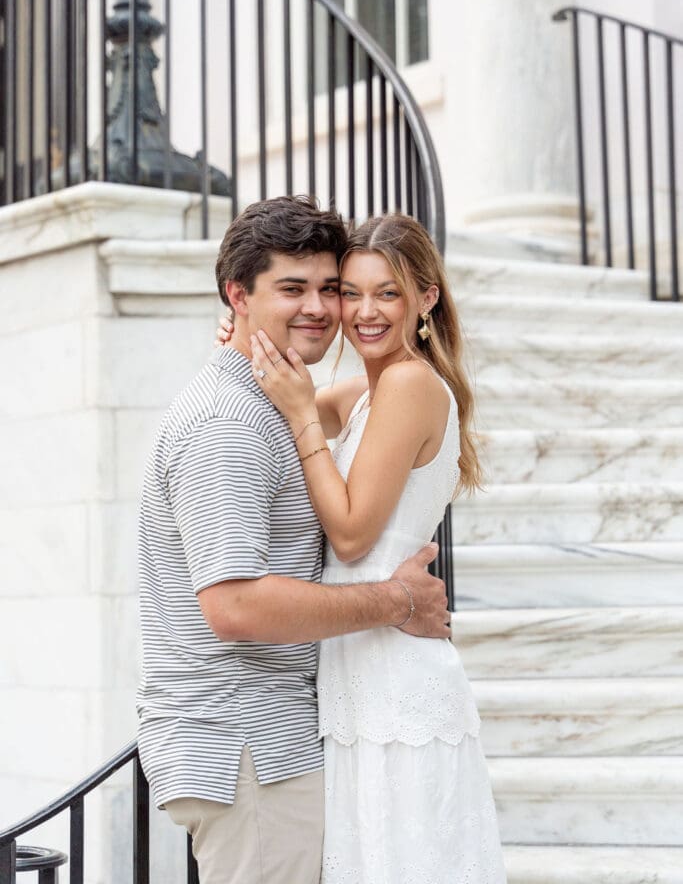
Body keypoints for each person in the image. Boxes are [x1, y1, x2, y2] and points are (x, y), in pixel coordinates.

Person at [136, 196, 450, 884]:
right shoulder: (228, 423)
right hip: (243, 742)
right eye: (290, 288)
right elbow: (236, 607)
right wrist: (394, 600)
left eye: (326, 289)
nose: (318, 307)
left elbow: (359, 414)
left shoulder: (272, 399)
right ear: (236, 296)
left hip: (273, 736)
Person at [233, 212, 507, 883]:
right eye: (350, 293)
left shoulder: (411, 385)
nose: (362, 312)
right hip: (359, 660)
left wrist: (302, 414)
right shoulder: (370, 390)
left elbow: (352, 535)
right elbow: (274, 398)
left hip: (394, 671)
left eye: (386, 292)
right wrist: (246, 341)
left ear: (426, 298)